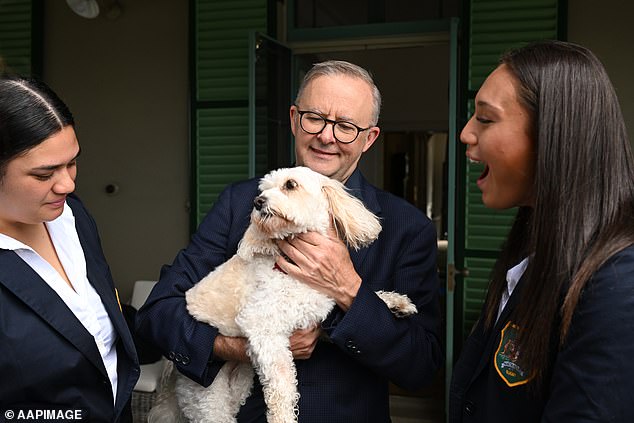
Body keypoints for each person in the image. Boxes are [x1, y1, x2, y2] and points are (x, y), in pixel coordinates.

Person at [136, 60, 443, 422]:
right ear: (295, 119)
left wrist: (347, 288)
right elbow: (157, 313)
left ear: (369, 138)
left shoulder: (407, 228)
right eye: (315, 118)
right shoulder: (241, 204)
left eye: (345, 126)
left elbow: (422, 366)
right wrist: (237, 348)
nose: (327, 136)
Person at [449, 40, 634, 422]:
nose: (466, 133)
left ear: (554, 132)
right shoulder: (533, 249)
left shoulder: (617, 281)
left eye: (485, 119)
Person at [0, 76, 139, 422]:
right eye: (44, 174)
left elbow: (99, 330)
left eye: (72, 162)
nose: (68, 183)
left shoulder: (73, 216)